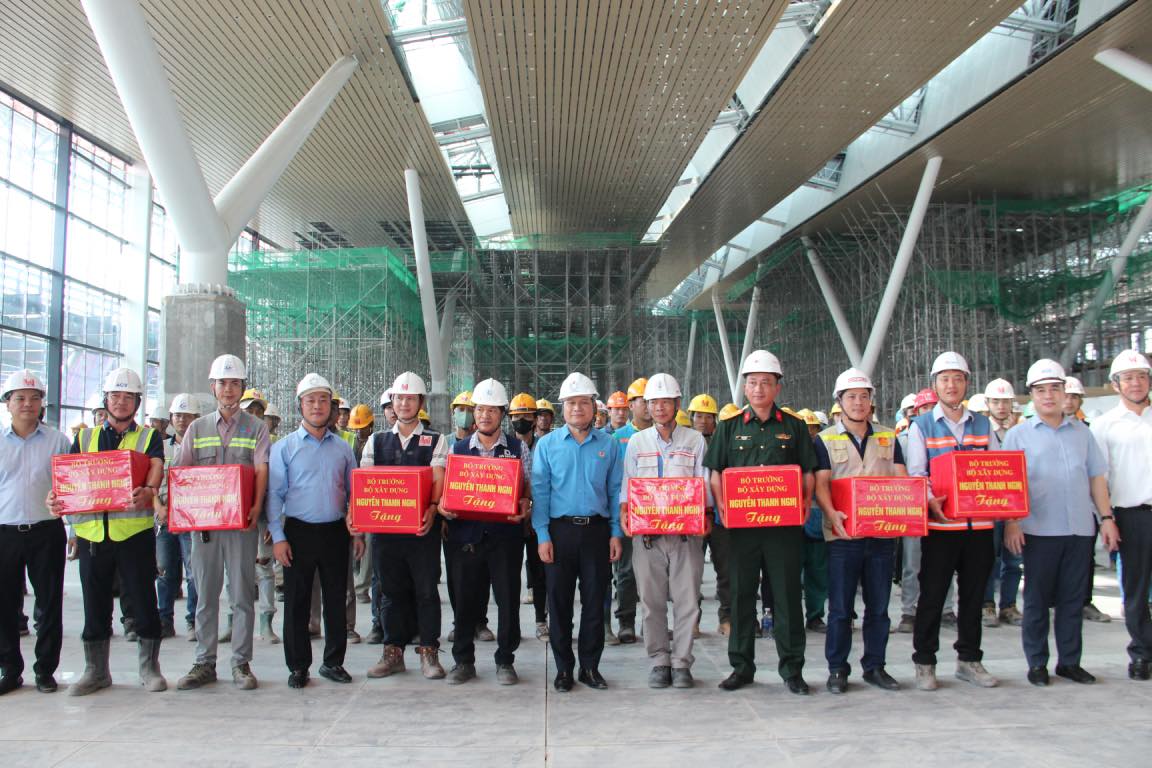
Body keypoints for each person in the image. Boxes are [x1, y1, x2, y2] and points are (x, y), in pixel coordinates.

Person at [705, 350, 818, 694]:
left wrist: (805, 504)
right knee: (740, 597)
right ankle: (741, 667)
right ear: (745, 387)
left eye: (765, 383)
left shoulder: (795, 426)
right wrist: (723, 507)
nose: (758, 389)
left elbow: (808, 473)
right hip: (740, 531)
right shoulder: (728, 427)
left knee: (786, 597)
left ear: (777, 387)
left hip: (783, 531)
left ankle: (792, 670)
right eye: (752, 383)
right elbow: (715, 474)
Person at [49, 367, 166, 696]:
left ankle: (149, 667)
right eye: (115, 395)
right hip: (93, 537)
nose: (121, 402)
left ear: (137, 402)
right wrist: (56, 499)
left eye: (128, 397)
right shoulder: (85, 438)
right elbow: (68, 481)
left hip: (133, 534)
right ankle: (96, 670)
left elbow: (156, 466)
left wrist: (150, 490)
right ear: (106, 399)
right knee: (95, 603)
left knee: (143, 601)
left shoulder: (147, 437)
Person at [1003, 359, 1119, 686]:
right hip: (1038, 530)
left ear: (1065, 392)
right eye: (1041, 390)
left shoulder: (1083, 433)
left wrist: (1106, 518)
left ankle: (1069, 662)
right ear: (1032, 396)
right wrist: (1012, 522)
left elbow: (1097, 478)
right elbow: (1008, 483)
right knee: (1037, 601)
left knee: (1072, 599)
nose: (1049, 396)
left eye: (1055, 388)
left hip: (1080, 529)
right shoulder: (1017, 435)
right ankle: (1037, 663)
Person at [174, 355, 271, 691]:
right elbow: (182, 474)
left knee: (242, 595)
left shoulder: (256, 428)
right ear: (212, 387)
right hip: (205, 529)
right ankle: (204, 662)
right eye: (223, 383)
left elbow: (261, 470)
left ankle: (241, 663)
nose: (228, 389)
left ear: (242, 388)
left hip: (242, 526)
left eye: (234, 384)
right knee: (205, 595)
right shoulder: (196, 428)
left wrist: (256, 508)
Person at [906, 352, 1000, 691]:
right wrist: (929, 498)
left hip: (979, 527)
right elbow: (918, 473)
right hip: (942, 527)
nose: (951, 384)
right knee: (933, 595)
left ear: (966, 384)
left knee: (973, 597)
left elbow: (997, 470)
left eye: (957, 378)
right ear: (935, 385)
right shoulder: (922, 426)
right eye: (944, 379)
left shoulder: (983, 424)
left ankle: (969, 659)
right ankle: (925, 662)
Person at [814, 369, 906, 694]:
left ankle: (875, 666)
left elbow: (901, 478)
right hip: (842, 536)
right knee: (840, 608)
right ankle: (837, 669)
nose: (858, 402)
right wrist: (830, 512)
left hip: (881, 536)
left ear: (871, 401)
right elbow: (821, 484)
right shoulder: (824, 439)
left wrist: (904, 510)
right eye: (851, 397)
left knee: (879, 607)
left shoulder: (888, 437)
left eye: (863, 396)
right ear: (839, 402)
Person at [268, 373, 362, 688]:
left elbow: (354, 493)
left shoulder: (343, 449)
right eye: (311, 400)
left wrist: (357, 529)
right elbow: (274, 496)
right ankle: (298, 666)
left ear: (333, 408)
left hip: (335, 531)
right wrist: (278, 538)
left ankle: (333, 662)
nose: (317, 406)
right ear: (301, 406)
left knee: (336, 599)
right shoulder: (284, 448)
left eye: (323, 400)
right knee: (297, 601)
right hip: (297, 532)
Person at [532, 372, 623, 692]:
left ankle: (590, 666)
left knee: (596, 601)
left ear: (594, 407)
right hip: (560, 533)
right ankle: (563, 669)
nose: (576, 409)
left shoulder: (609, 445)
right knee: (558, 604)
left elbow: (615, 491)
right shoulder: (547, 445)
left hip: (597, 532)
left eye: (583, 402)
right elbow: (540, 493)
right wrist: (542, 535)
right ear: (562, 407)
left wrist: (616, 532)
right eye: (571, 403)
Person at [620, 373, 709, 689]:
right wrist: (625, 516)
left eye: (665, 401)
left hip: (686, 537)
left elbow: (704, 487)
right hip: (648, 538)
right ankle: (659, 660)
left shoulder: (694, 441)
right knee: (652, 602)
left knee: (687, 602)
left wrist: (703, 515)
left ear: (677, 404)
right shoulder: (637, 443)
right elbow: (627, 487)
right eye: (653, 402)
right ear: (646, 405)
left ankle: (682, 662)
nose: (659, 407)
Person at [443, 378, 531, 685]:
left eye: (492, 410)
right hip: (466, 538)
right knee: (465, 602)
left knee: (507, 601)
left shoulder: (518, 449)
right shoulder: (457, 448)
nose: (484, 415)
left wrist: (524, 502)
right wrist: (445, 506)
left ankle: (505, 659)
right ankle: (463, 661)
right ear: (472, 412)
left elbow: (529, 488)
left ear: (503, 414)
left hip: (504, 539)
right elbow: (446, 491)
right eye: (480, 409)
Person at [364, 372, 449, 681]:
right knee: (390, 592)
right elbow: (366, 483)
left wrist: (430, 508)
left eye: (409, 398)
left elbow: (438, 478)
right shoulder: (377, 441)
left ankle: (429, 652)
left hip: (421, 532)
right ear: (392, 403)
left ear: (420, 403)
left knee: (426, 591)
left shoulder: (436, 440)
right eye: (398, 398)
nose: (403, 403)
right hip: (386, 533)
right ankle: (393, 652)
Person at [0, 370, 72, 695]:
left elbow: (72, 488)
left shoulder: (59, 441)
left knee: (49, 602)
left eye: (34, 397)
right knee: (4, 603)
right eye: (20, 398)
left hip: (47, 531)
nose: (27, 403)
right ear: (8, 403)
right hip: (5, 533)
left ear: (42, 403)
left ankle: (45, 670)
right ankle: (10, 669)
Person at [1090, 349, 1152, 681]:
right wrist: (1106, 518)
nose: (1136, 383)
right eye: (1128, 378)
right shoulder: (1104, 425)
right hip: (1131, 516)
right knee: (1136, 587)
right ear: (1116, 385)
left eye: (1142, 376)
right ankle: (1142, 652)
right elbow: (1099, 478)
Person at [605, 377, 651, 644]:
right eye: (643, 401)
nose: (648, 406)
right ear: (632, 405)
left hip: (658, 513)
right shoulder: (617, 439)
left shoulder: (664, 434)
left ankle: (652, 621)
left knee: (657, 572)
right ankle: (625, 621)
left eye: (651, 400)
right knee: (626, 570)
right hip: (627, 514)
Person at [155, 393, 200, 642]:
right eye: (178, 415)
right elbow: (149, 483)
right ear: (171, 419)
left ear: (196, 418)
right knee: (165, 572)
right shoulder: (160, 447)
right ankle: (164, 619)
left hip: (191, 519)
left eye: (187, 415)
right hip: (165, 520)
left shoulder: (203, 448)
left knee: (194, 573)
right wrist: (158, 508)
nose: (182, 420)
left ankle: (193, 620)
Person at [982, 378, 1023, 629]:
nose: (1001, 406)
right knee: (990, 557)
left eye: (1005, 401)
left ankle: (1008, 605)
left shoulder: (1021, 431)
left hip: (1016, 505)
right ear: (988, 404)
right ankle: (987, 604)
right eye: (996, 401)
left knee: (1013, 559)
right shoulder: (981, 431)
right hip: (991, 504)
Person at [510, 393, 548, 640]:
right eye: (516, 416)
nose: (521, 420)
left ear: (535, 419)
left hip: (537, 518)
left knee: (540, 572)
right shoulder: (506, 447)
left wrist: (535, 510)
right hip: (510, 520)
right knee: (509, 574)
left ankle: (541, 620)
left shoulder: (546, 445)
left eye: (526, 415)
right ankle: (511, 625)